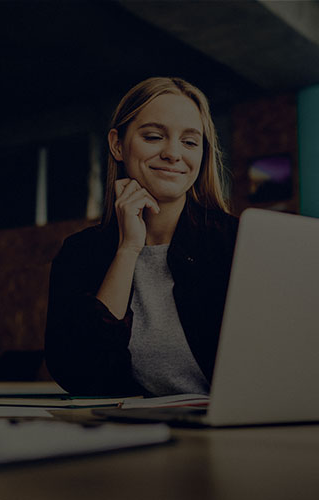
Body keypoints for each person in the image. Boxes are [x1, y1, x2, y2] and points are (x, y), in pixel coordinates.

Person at [45, 77, 239, 396]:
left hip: (231, 434)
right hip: (130, 435)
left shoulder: (235, 243)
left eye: (190, 142)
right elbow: (80, 373)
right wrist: (128, 249)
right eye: (153, 136)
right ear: (118, 144)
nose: (174, 153)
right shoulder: (81, 253)